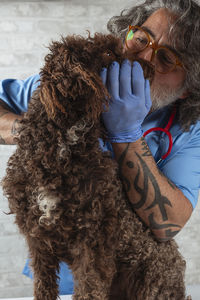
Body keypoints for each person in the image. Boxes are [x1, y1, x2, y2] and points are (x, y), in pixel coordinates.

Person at [1, 0, 200, 295]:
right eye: (141, 38)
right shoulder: (75, 82)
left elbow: (168, 225)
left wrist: (126, 134)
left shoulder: (189, 130)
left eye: (166, 59)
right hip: (66, 280)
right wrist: (42, 131)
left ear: (188, 87)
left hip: (131, 286)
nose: (143, 57)